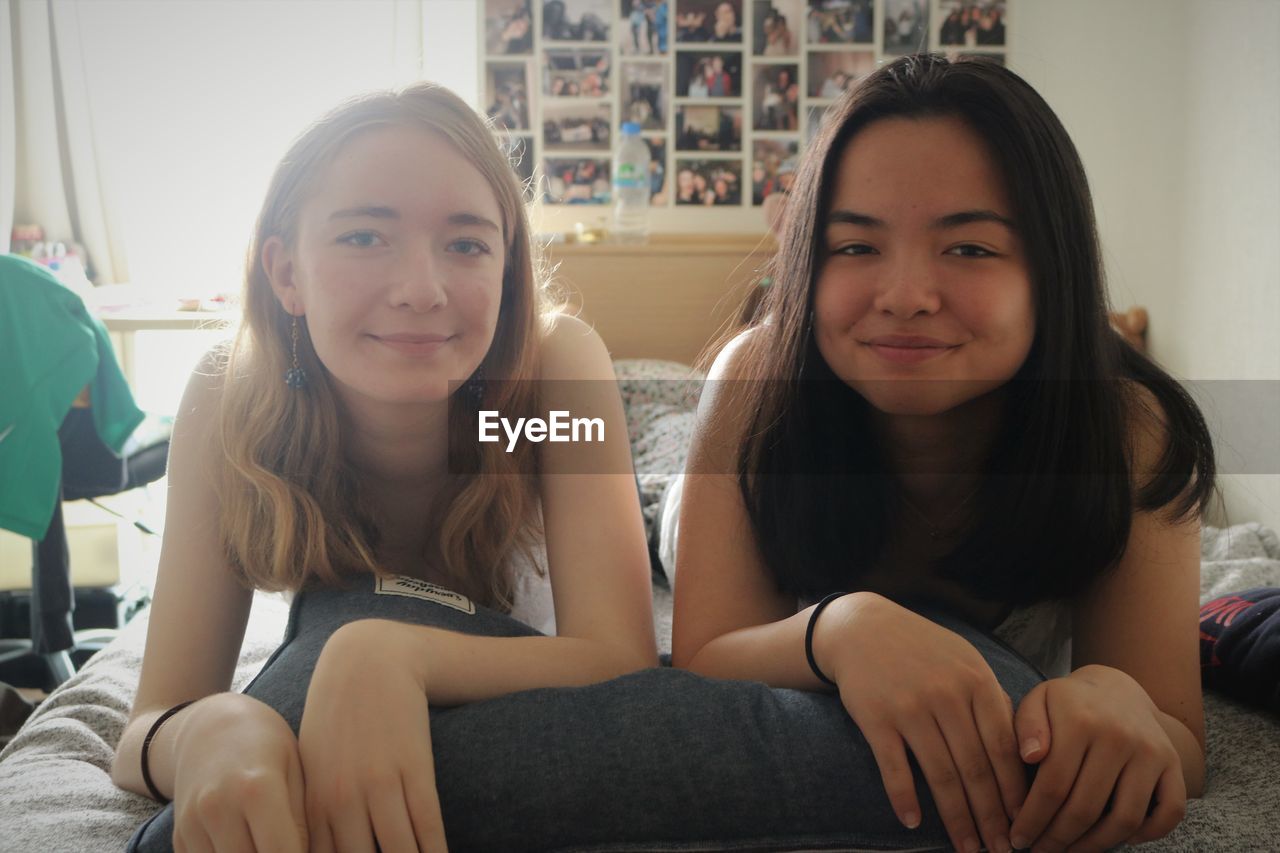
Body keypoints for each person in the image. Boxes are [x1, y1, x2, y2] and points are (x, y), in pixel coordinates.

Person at [671, 53, 1212, 853]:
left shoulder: (1126, 428)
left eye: (969, 250)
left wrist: (1122, 705)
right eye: (855, 247)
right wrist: (838, 629)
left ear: (1051, 272)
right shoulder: (755, 380)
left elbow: (1178, 736)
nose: (904, 295)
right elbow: (704, 656)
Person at [111, 82, 656, 851]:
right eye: (365, 237)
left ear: (508, 268)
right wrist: (210, 726)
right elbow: (148, 722)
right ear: (286, 272)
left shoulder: (551, 373)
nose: (421, 292)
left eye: (466, 244)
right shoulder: (228, 397)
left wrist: (390, 650)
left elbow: (622, 655)